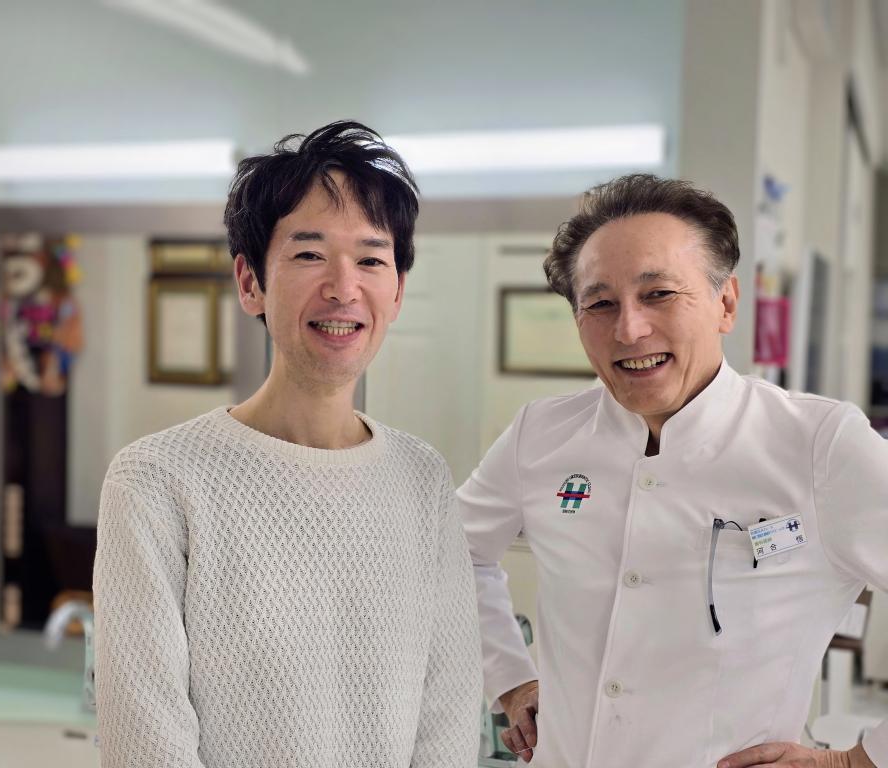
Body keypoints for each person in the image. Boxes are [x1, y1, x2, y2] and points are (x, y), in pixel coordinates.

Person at [458, 173, 888, 768]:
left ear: (726, 303)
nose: (629, 329)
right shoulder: (542, 434)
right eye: (600, 303)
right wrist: (509, 676)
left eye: (658, 294)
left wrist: (858, 760)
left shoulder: (818, 443)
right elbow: (453, 552)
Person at [93, 121, 481, 768]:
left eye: (371, 259)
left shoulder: (422, 477)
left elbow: (449, 714)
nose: (344, 287)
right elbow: (146, 740)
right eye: (308, 255)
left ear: (397, 291)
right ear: (250, 283)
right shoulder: (157, 479)